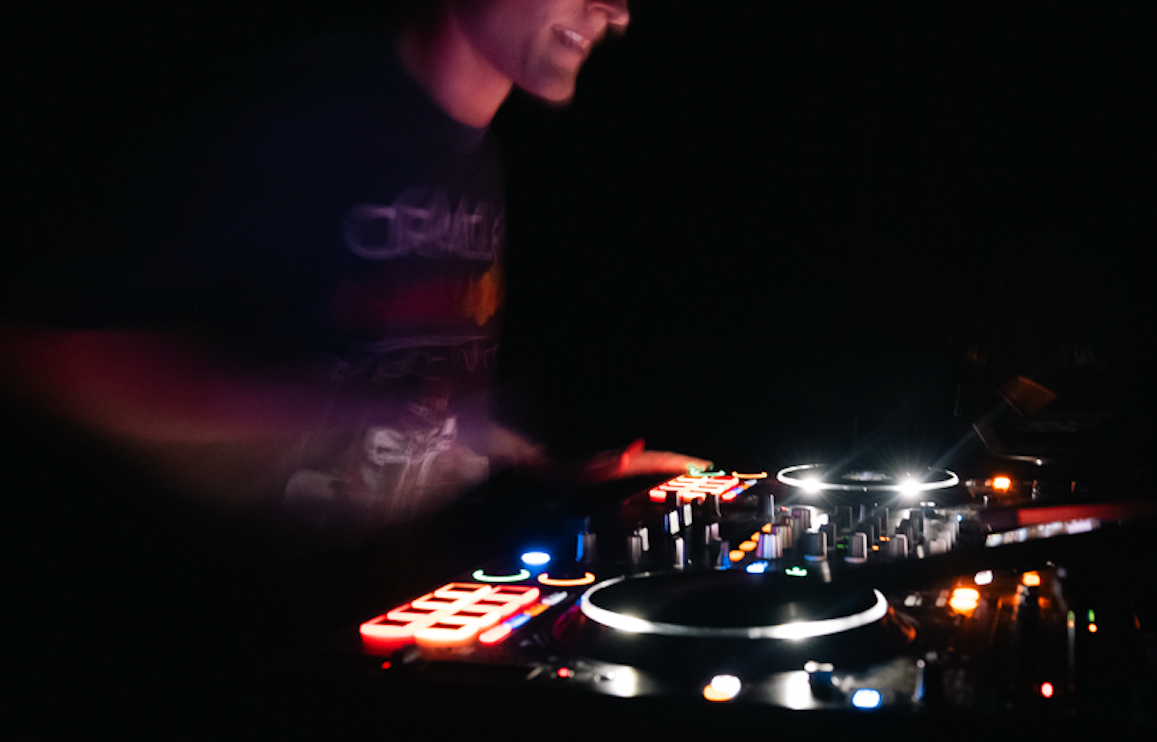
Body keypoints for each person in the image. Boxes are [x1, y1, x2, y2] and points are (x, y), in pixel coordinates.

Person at [0, 0, 705, 547]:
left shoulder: (477, 158)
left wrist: (550, 470)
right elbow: (45, 349)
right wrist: (295, 424)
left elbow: (407, 408)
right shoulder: (302, 118)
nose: (614, 10)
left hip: (385, 631)